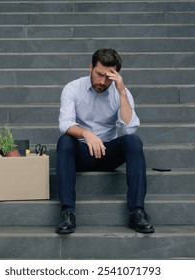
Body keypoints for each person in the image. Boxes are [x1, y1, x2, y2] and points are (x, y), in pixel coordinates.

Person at [55, 48, 154, 234]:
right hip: (82, 153)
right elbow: (65, 123)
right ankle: (67, 212)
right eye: (99, 74)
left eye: (108, 77)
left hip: (108, 154)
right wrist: (86, 134)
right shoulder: (73, 88)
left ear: (116, 74)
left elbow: (129, 128)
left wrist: (122, 92)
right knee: (65, 141)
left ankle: (137, 211)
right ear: (90, 67)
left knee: (133, 141)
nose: (102, 82)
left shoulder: (121, 92)